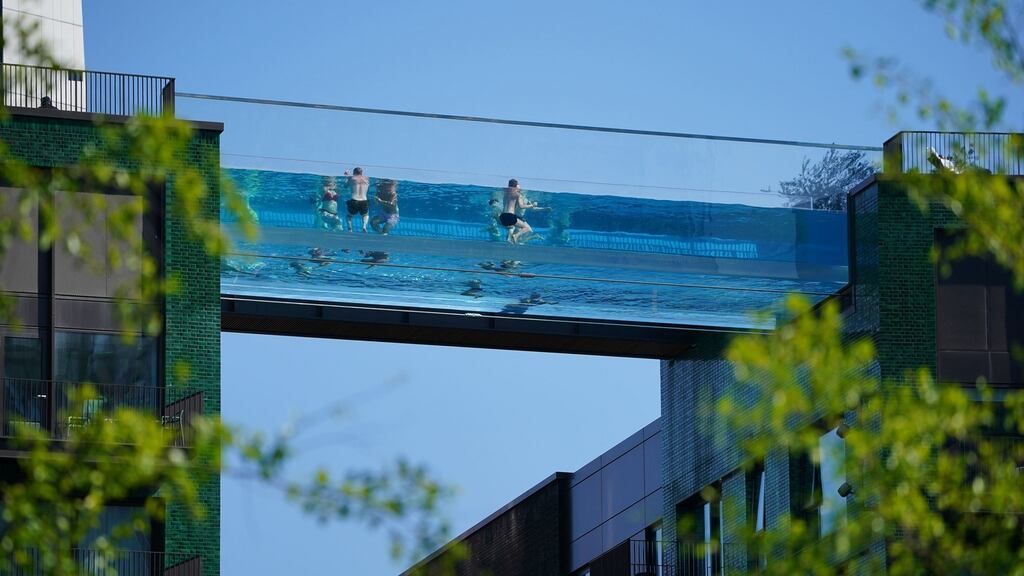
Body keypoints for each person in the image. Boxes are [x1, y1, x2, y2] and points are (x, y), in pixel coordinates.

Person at [498, 178, 542, 244]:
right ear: (516, 186)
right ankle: (516, 236)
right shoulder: (518, 194)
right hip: (510, 216)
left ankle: (510, 238)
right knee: (527, 228)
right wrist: (532, 205)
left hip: (502, 217)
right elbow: (521, 206)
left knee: (512, 227)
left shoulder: (505, 193)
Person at [343, 167, 370, 232]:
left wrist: (346, 177)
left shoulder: (351, 178)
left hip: (354, 200)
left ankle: (350, 228)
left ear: (354, 172)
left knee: (349, 216)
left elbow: (345, 186)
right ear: (362, 173)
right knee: (365, 215)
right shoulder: (367, 179)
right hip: (364, 200)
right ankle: (364, 226)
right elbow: (368, 189)